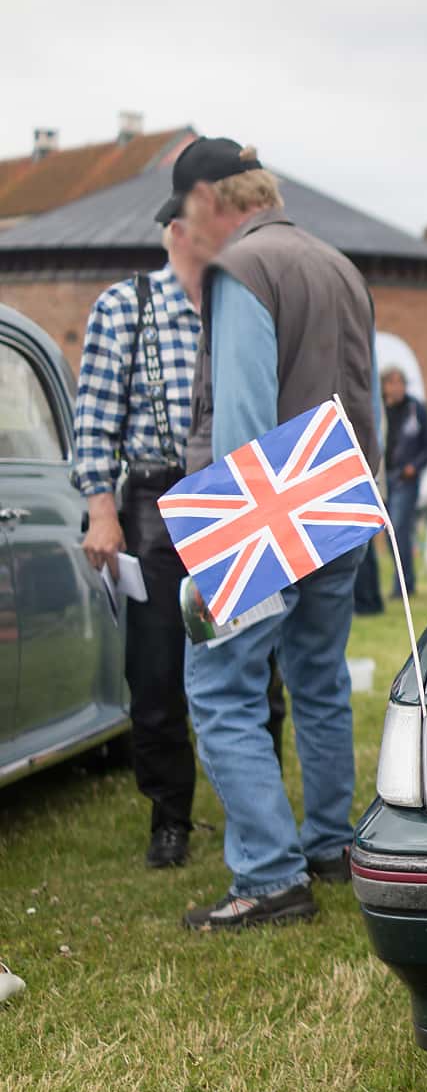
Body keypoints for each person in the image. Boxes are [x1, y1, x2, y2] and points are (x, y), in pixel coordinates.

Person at [166, 136, 382, 930]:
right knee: (319, 680)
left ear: (216, 203)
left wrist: (229, 548)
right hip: (339, 497)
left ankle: (267, 875)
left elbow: (244, 419)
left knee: (220, 691)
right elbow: (369, 403)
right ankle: (329, 843)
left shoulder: (242, 269)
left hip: (266, 506)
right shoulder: (340, 266)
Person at [70, 223, 203, 868]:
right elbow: (93, 423)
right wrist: (102, 511)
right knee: (156, 670)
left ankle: (253, 811)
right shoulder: (126, 305)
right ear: (178, 229)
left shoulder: (243, 303)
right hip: (153, 499)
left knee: (256, 669)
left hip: (234, 495)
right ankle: (169, 816)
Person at [381, 366, 427, 595]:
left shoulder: (416, 410)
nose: (396, 387)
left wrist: (415, 467)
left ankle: (403, 585)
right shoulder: (381, 412)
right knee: (388, 534)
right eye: (391, 383)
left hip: (405, 480)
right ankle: (405, 581)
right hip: (385, 480)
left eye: (400, 382)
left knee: (400, 530)